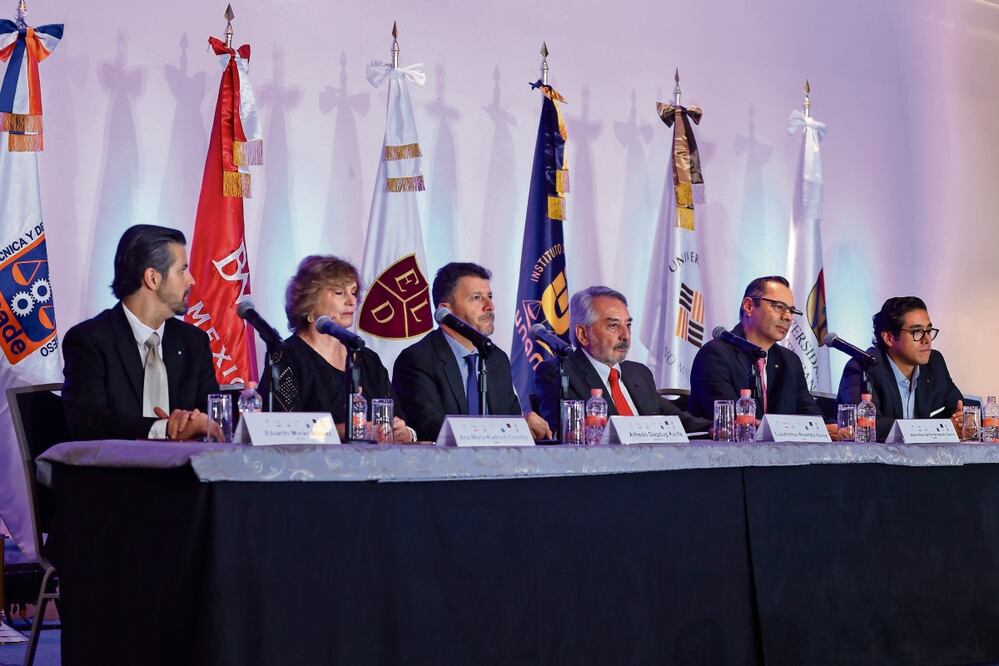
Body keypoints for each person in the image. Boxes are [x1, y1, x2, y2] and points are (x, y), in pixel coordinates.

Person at [61, 224, 218, 441]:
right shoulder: (89, 340)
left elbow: (213, 413)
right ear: (152, 278)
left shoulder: (194, 342)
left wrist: (200, 421)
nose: (191, 280)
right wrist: (165, 429)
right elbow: (89, 423)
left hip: (188, 470)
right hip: (117, 471)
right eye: (182, 270)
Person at [259, 255, 414, 442]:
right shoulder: (286, 358)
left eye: (354, 292)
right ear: (309, 300)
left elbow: (397, 417)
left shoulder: (366, 358)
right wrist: (354, 430)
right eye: (339, 293)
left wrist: (405, 432)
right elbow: (284, 429)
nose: (351, 301)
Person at [393, 262, 552, 442]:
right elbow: (429, 428)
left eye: (490, 296)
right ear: (445, 310)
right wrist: (512, 429)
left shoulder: (496, 358)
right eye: (477, 298)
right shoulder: (417, 359)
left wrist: (524, 427)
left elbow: (509, 418)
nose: (490, 306)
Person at [535, 285, 711, 434]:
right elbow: (566, 434)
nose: (625, 335)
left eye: (628, 325)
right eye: (613, 325)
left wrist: (716, 427)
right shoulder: (560, 372)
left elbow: (678, 420)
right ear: (582, 334)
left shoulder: (639, 373)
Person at [689, 275, 835, 435]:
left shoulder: (789, 361)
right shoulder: (715, 355)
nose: (787, 317)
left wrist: (833, 428)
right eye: (779, 307)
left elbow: (811, 415)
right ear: (749, 306)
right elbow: (734, 423)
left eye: (791, 310)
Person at [837, 296, 963, 441]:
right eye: (916, 332)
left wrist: (962, 419)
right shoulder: (863, 368)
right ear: (889, 338)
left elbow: (959, 407)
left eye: (928, 331)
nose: (927, 339)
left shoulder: (935, 363)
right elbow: (867, 426)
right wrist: (942, 430)